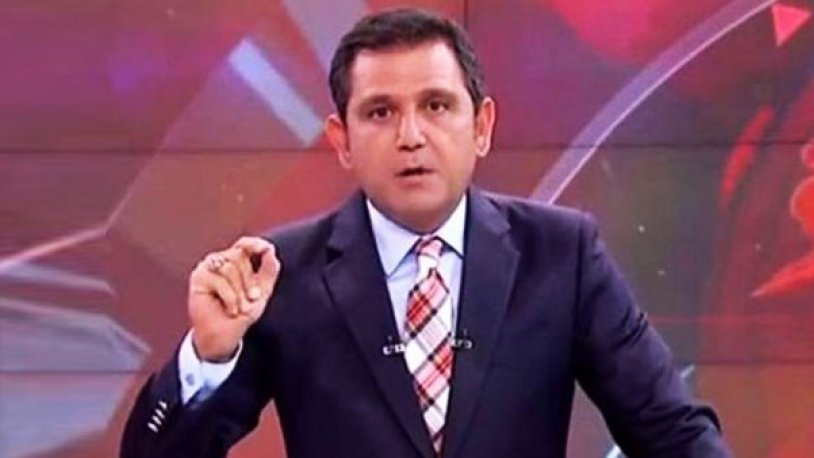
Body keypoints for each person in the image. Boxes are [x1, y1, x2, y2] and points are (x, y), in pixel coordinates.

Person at [121, 8, 731, 458]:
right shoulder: (282, 272)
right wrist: (208, 356)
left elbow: (672, 434)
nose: (411, 136)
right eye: (380, 112)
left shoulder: (562, 254)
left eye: (436, 106)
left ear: (482, 126)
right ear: (341, 140)